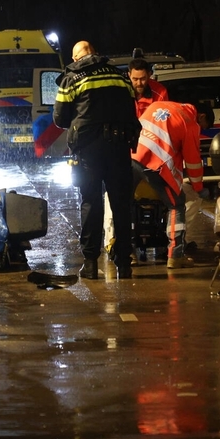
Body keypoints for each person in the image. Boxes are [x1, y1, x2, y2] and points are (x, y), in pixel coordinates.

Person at [53, 40, 140, 280]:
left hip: (89, 150)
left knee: (91, 202)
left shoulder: (72, 78)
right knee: (121, 205)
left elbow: (60, 118)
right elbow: (131, 109)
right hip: (120, 147)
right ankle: (124, 264)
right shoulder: (120, 76)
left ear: (76, 58)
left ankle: (90, 264)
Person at [132, 100, 213, 268]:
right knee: (177, 205)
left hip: (132, 157)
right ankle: (175, 255)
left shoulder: (156, 106)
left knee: (124, 204)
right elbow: (193, 162)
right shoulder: (190, 123)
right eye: (203, 126)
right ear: (201, 116)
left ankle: (124, 252)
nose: (201, 130)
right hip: (155, 164)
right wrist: (199, 188)